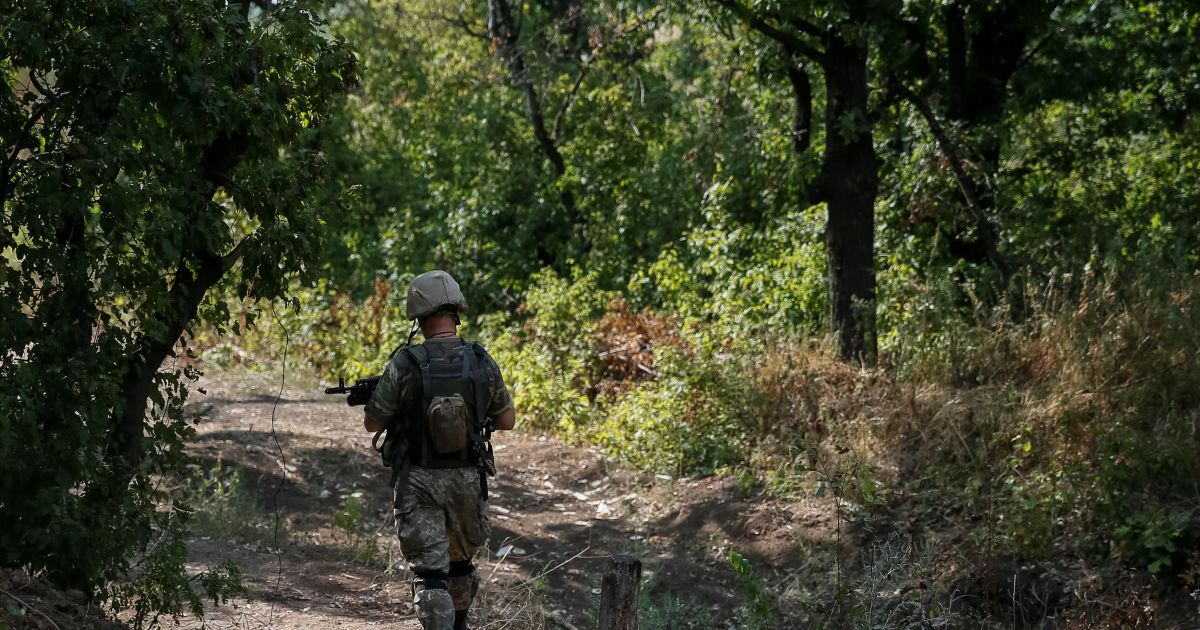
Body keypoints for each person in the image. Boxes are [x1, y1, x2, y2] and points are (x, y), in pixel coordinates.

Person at [363, 270, 516, 630]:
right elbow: (506, 419)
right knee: (460, 565)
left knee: (431, 575)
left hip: (418, 478)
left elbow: (373, 424)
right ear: (455, 310)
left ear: (418, 315)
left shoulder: (404, 363)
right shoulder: (480, 360)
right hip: (467, 478)